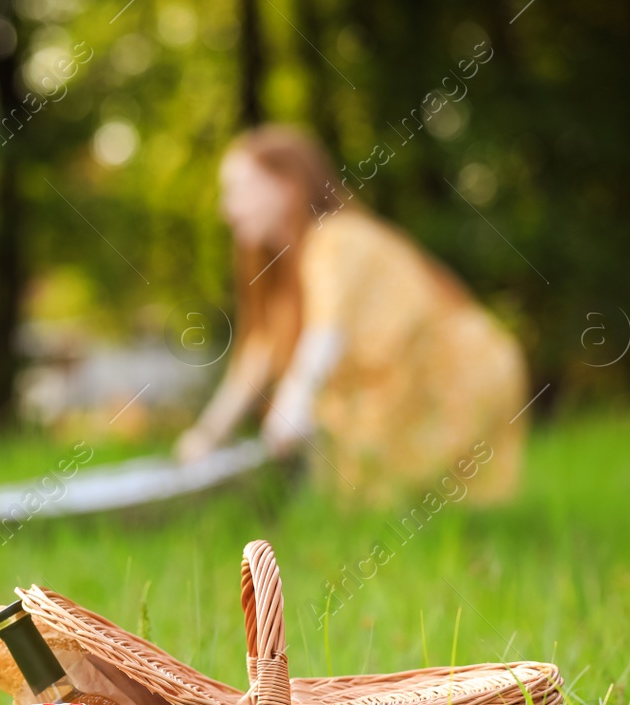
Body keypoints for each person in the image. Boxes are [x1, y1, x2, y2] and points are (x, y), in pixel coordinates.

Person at [176, 125, 527, 506]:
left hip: (458, 376)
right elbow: (258, 356)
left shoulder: (337, 237)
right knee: (371, 506)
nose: (227, 209)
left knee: (423, 511)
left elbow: (327, 332)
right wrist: (207, 434)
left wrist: (294, 402)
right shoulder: (286, 270)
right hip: (410, 388)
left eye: (241, 190)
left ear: (287, 186)